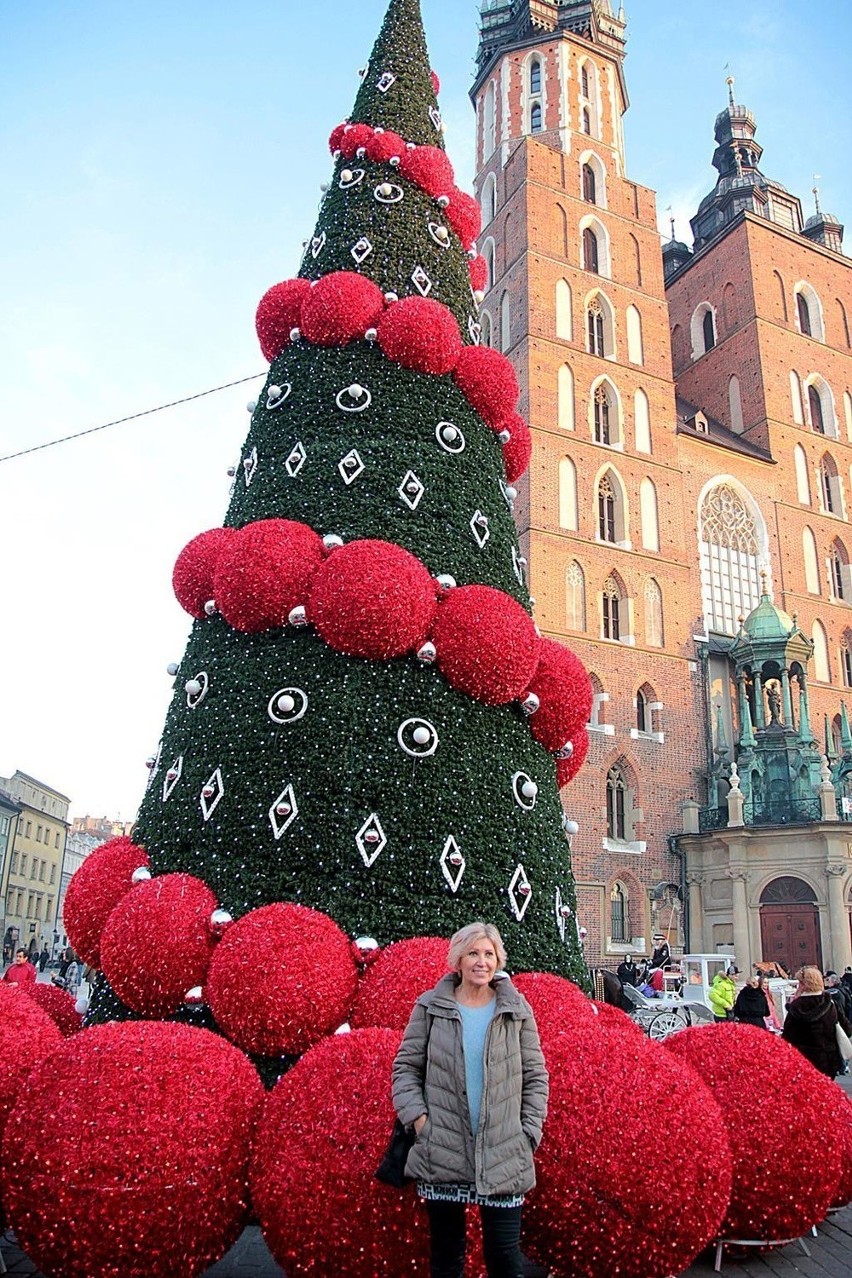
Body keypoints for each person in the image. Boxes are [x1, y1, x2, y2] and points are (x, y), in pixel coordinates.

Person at [392, 921, 549, 1278]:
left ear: (498, 961)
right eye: (473, 953)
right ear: (458, 961)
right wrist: (420, 1122)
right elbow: (405, 1068)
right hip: (443, 1147)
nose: (482, 961)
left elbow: (535, 1075)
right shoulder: (431, 1006)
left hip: (504, 1150)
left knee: (505, 1258)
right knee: (447, 1258)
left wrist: (528, 1133)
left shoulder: (516, 1009)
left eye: (489, 954)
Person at [782, 966, 852, 1078]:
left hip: (804, 1059)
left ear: (803, 984)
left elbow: (788, 1037)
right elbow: (847, 1029)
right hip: (828, 1058)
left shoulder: (796, 1006)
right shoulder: (830, 1003)